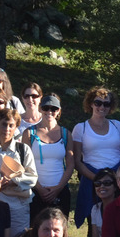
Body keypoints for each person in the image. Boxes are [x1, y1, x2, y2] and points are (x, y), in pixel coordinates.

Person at [72, 86, 120, 227]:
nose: (101, 107)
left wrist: (117, 177)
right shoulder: (81, 128)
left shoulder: (118, 126)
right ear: (91, 103)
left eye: (106, 104)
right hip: (91, 178)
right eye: (98, 103)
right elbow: (76, 161)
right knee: (94, 222)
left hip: (117, 178)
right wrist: (97, 179)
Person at [0, 108, 39, 237]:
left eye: (11, 125)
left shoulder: (23, 150)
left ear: (16, 127)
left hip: (18, 207)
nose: (7, 128)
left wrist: (13, 181)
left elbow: (33, 178)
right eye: (4, 124)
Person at [27, 95, 74, 227]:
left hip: (60, 190)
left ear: (59, 110)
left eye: (53, 109)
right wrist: (39, 188)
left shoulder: (66, 134)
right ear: (40, 109)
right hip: (35, 191)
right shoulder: (29, 133)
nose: (49, 112)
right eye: (46, 108)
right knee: (35, 230)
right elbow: (25, 165)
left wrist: (58, 188)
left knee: (59, 230)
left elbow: (71, 164)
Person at [87, 168, 119, 237]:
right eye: (98, 184)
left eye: (107, 183)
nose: (102, 186)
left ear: (115, 187)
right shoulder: (95, 209)